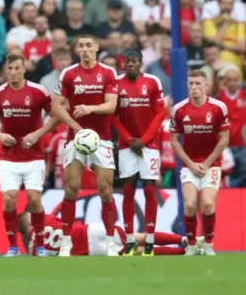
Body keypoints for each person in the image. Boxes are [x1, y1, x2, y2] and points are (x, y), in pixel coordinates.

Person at [0, 53, 59, 257]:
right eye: (10, 68)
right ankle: (13, 247)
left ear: (24, 69)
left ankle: (41, 246)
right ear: (6, 70)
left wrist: (38, 134)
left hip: (33, 156)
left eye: (17, 68)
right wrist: (0, 135)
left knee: (34, 199)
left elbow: (55, 117)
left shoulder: (38, 91)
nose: (14, 72)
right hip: (9, 157)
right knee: (9, 200)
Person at [51, 35, 119, 257]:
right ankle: (66, 242)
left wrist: (89, 109)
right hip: (75, 138)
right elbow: (56, 106)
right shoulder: (69, 74)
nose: (85, 49)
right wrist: (76, 127)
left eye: (89, 45)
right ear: (77, 49)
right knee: (71, 189)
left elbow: (111, 105)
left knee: (105, 190)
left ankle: (111, 241)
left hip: (102, 139)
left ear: (97, 47)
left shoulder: (108, 73)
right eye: (81, 46)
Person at [108, 49, 166, 256]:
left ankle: (149, 239)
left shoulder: (152, 82)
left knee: (150, 190)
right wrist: (127, 138)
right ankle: (130, 239)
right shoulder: (115, 83)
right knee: (128, 191)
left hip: (148, 145)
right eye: (127, 62)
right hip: (127, 145)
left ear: (141, 63)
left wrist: (143, 140)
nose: (130, 65)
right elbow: (112, 116)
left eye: (134, 62)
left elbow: (161, 113)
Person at [170, 70, 229, 256]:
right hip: (189, 165)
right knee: (189, 205)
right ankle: (193, 244)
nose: (194, 88)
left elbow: (224, 138)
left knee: (208, 204)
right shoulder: (179, 109)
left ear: (206, 86)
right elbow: (174, 140)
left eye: (197, 84)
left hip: (211, 164)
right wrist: (190, 163)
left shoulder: (218, 108)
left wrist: (207, 163)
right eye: (191, 84)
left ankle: (209, 243)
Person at [17, 210, 187, 256]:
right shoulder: (45, 219)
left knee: (139, 252)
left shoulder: (34, 250)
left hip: (91, 251)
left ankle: (183, 252)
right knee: (141, 238)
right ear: (30, 222)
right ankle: (184, 240)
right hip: (91, 231)